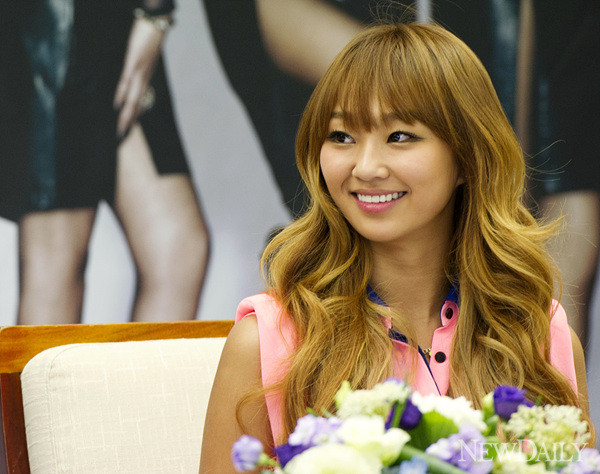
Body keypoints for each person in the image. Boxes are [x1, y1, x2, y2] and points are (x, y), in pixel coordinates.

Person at [199, 22, 592, 472]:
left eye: (400, 136)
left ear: (468, 157)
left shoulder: (540, 336)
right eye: (341, 136)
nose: (365, 167)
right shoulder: (268, 342)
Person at [0, 0, 209, 324]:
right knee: (56, 257)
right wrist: (156, 12)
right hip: (58, 20)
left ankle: (138, 365)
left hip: (115, 17)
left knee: (176, 248)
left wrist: (155, 14)